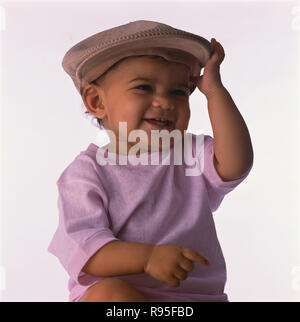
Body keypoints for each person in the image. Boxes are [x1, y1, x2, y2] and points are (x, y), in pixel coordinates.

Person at [48, 20, 254, 302]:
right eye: (144, 87)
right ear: (97, 101)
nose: (165, 102)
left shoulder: (190, 153)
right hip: (122, 299)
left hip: (194, 299)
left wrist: (215, 92)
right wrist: (148, 258)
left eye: (179, 92)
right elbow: (88, 250)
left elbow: (235, 164)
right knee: (110, 293)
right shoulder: (86, 174)